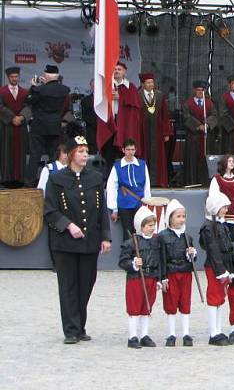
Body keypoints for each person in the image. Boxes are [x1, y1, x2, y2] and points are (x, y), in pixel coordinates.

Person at [43, 134, 112, 343]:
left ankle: (80, 325)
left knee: (86, 284)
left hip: (89, 241)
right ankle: (71, 330)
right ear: (71, 154)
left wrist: (105, 236)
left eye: (86, 151)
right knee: (68, 286)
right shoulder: (56, 179)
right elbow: (49, 209)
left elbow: (101, 211)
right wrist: (68, 225)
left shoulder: (95, 177)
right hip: (65, 243)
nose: (85, 155)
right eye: (80, 151)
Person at [118, 206, 160, 349]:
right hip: (136, 278)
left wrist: (159, 279)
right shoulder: (131, 243)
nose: (152, 228)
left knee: (147, 307)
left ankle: (144, 335)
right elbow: (122, 262)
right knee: (134, 307)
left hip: (151, 277)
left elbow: (159, 261)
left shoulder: (156, 241)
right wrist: (133, 263)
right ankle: (132, 336)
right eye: (149, 225)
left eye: (153, 225)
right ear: (140, 226)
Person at [158, 199, 197, 347]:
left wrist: (191, 254)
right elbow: (161, 258)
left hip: (185, 273)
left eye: (183, 216)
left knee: (185, 302)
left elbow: (192, 259)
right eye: (178, 216)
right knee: (171, 303)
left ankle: (186, 332)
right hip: (171, 273)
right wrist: (163, 278)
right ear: (170, 218)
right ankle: (171, 333)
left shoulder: (188, 237)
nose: (181, 219)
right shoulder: (163, 237)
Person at [25, 64, 71, 187]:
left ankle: (29, 183)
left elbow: (29, 100)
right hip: (55, 126)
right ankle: (56, 181)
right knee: (54, 155)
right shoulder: (64, 89)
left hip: (39, 127)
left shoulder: (40, 89)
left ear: (45, 75)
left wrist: (34, 86)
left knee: (35, 155)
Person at [199, 193, 234, 346]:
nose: (226, 210)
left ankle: (218, 329)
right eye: (223, 207)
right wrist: (220, 270)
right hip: (215, 268)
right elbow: (213, 250)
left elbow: (228, 248)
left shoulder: (221, 225)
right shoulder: (208, 227)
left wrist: (229, 269)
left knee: (220, 299)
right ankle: (213, 332)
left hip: (223, 267)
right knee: (214, 299)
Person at [98, 62, 141, 178]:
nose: (117, 71)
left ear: (124, 72)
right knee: (109, 152)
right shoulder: (106, 85)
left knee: (123, 150)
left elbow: (135, 105)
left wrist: (120, 98)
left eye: (119, 69)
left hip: (125, 123)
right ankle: (109, 178)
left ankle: (126, 177)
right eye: (115, 69)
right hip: (109, 122)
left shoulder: (130, 87)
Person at [106, 138, 151, 239]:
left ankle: (139, 254)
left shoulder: (142, 165)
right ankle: (128, 255)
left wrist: (147, 204)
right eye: (128, 149)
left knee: (141, 232)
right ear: (123, 150)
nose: (130, 152)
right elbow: (111, 187)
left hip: (139, 203)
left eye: (132, 149)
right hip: (124, 204)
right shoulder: (117, 166)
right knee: (127, 233)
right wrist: (114, 208)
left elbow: (146, 186)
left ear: (135, 150)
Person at [137, 73, 172, 188]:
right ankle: (145, 182)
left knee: (159, 157)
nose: (151, 84)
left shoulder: (160, 95)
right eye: (148, 82)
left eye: (152, 82)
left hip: (157, 131)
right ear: (143, 84)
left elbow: (165, 115)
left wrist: (166, 132)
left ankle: (158, 181)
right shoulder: (138, 95)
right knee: (144, 154)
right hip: (143, 131)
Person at [182, 81, 217, 187]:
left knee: (206, 157)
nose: (200, 92)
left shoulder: (209, 103)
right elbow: (186, 117)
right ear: (194, 91)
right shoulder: (187, 103)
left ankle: (206, 180)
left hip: (206, 137)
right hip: (193, 136)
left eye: (202, 90)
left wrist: (207, 125)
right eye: (198, 90)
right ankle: (192, 181)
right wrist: (198, 126)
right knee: (193, 158)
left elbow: (214, 115)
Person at [0, 66, 30, 186]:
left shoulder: (25, 92)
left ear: (19, 77)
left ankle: (20, 178)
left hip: (21, 127)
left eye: (16, 76)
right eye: (12, 77)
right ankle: (6, 179)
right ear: (8, 78)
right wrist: (12, 117)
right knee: (6, 152)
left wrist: (21, 117)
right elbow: (0, 106)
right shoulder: (2, 91)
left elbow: (29, 107)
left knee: (20, 152)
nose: (14, 79)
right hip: (6, 127)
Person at [208, 154, 234, 240]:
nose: (232, 163)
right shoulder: (217, 179)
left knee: (232, 240)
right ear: (224, 163)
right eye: (229, 161)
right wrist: (218, 213)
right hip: (221, 217)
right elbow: (213, 197)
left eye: (233, 161)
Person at [79, 80, 97, 154]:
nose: (95, 87)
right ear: (91, 86)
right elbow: (85, 115)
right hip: (91, 130)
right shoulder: (85, 100)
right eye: (93, 85)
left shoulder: (106, 99)